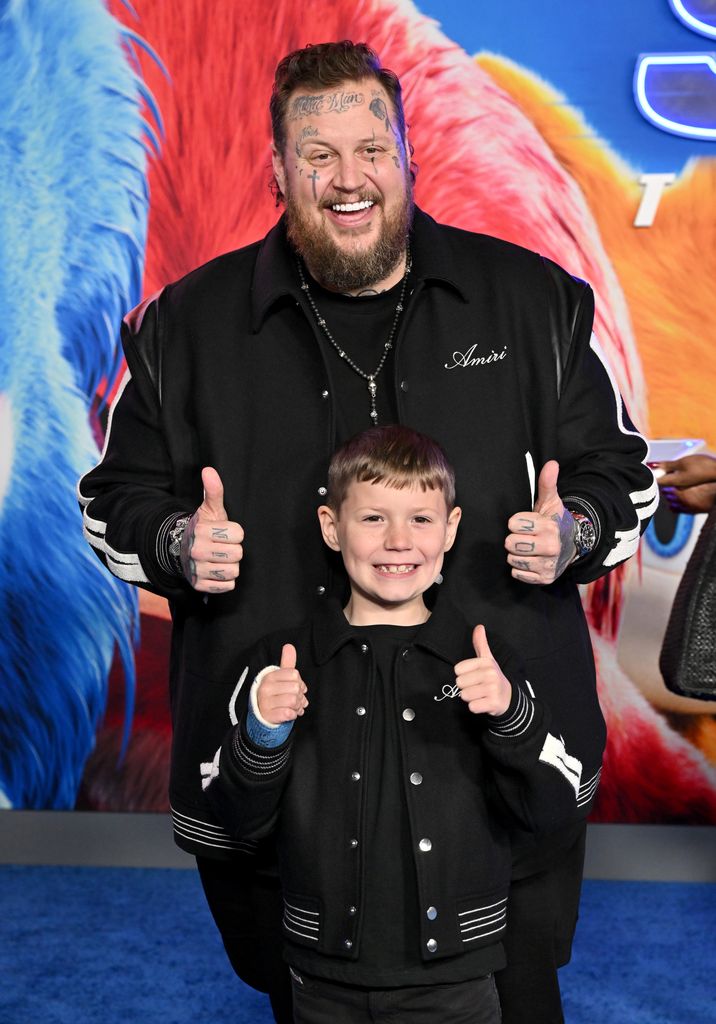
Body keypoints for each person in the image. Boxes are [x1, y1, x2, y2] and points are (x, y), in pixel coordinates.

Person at [77, 40, 658, 1024]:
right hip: (284, 790)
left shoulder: (532, 301)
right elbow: (110, 499)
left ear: (406, 154)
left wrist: (576, 530)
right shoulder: (184, 326)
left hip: (500, 764)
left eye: (368, 148)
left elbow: (622, 474)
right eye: (316, 153)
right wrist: (176, 542)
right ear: (278, 169)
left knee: (514, 999)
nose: (347, 178)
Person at [204, 424, 604, 1023]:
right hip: (321, 976)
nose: (398, 541)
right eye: (372, 519)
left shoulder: (486, 661)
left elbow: (551, 810)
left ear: (451, 528)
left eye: (420, 519)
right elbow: (236, 822)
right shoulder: (279, 663)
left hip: (459, 978)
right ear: (330, 527)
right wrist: (263, 734)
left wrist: (511, 717)